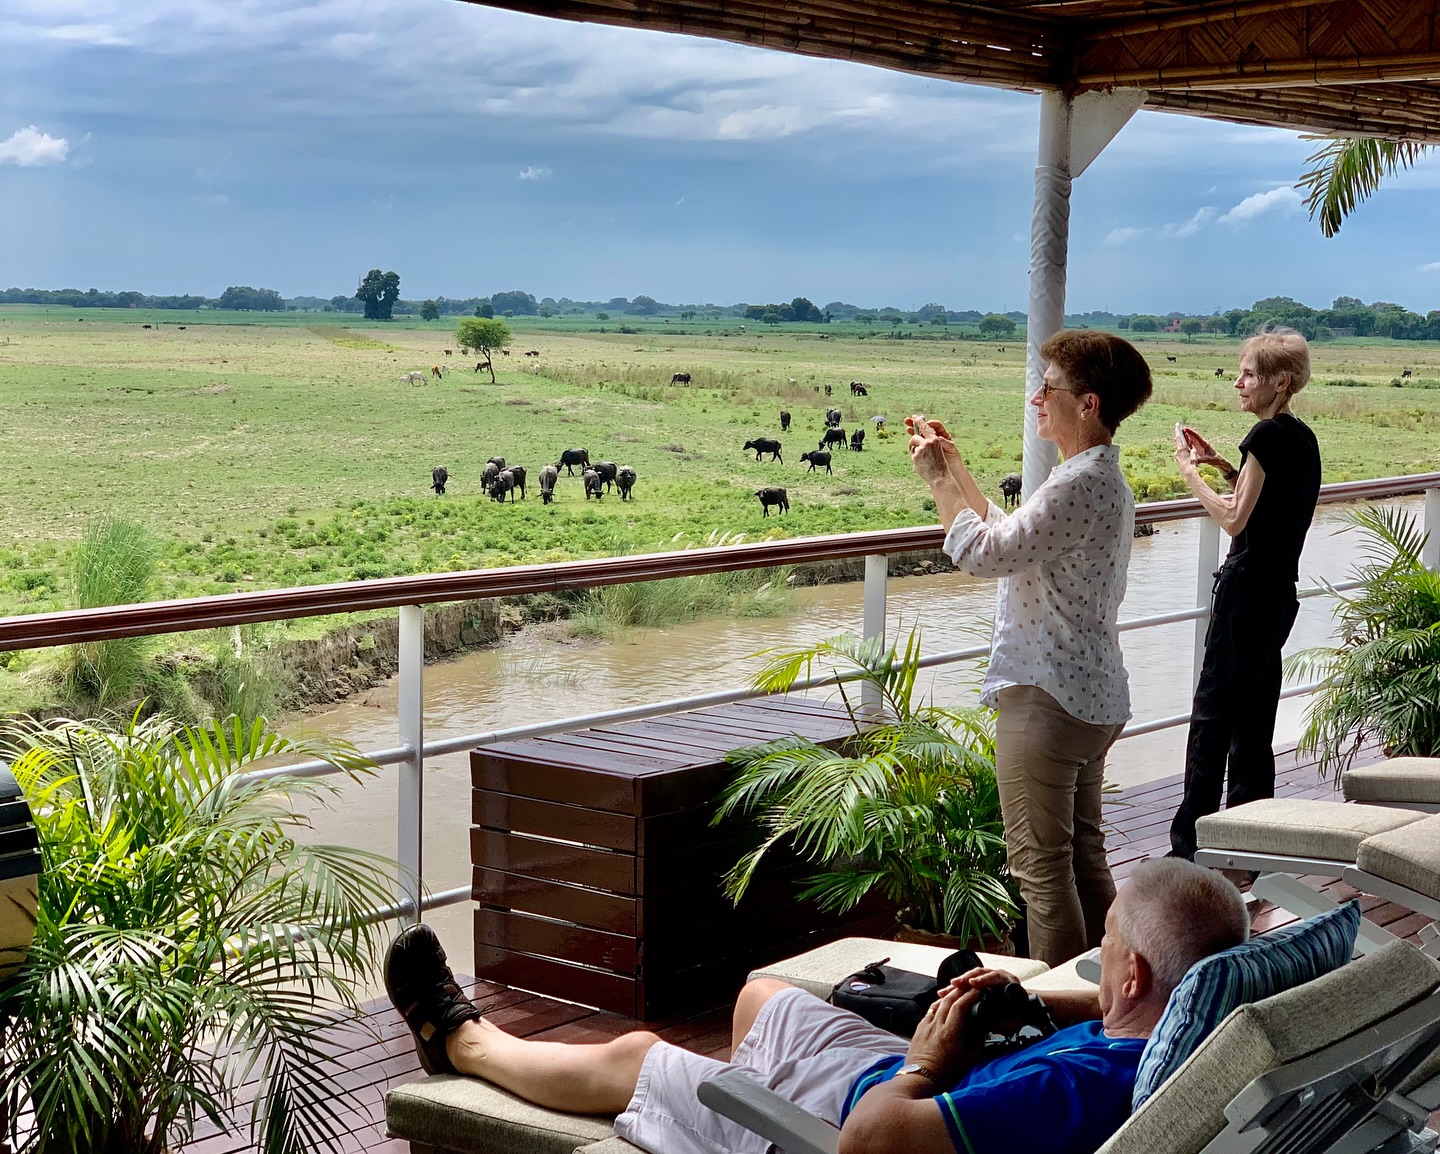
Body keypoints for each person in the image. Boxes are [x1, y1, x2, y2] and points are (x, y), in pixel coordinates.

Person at [385, 858, 1248, 1154]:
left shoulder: (1068, 1094)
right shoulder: (1180, 1034)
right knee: (763, 999)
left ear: (1132, 975)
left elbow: (872, 1144)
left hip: (864, 1121)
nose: (1094, 973)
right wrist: (1028, 1000)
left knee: (637, 1056)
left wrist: (927, 1062)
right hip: (890, 1085)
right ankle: (717, 1105)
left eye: (1105, 950)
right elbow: (1104, 1020)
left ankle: (463, 1043)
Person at [906, 330, 1153, 966]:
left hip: (1046, 700)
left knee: (1040, 875)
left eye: (1050, 388)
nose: (1037, 398)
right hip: (1089, 694)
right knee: (1082, 858)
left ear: (1089, 403)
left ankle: (1060, 1026)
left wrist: (936, 482)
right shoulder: (1096, 478)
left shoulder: (1079, 482)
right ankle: (1108, 998)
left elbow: (983, 554)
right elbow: (1015, 533)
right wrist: (957, 466)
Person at [1168, 327, 1321, 861]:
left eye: (1248, 374)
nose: (1238, 383)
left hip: (1244, 593)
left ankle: (1189, 848)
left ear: (1279, 382)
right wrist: (1224, 467)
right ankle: (1250, 840)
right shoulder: (1300, 437)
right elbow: (1270, 505)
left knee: (1212, 715)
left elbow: (1235, 519)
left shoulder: (1266, 436)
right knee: (1255, 718)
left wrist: (1190, 475)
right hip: (1278, 596)